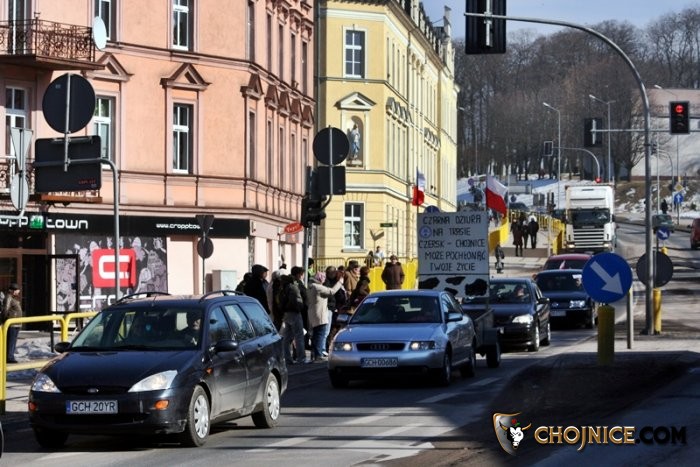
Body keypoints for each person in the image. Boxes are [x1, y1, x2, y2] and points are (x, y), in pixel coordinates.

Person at [306, 271, 343, 361]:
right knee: (320, 334)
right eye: (323, 278)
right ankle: (318, 355)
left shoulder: (310, 286)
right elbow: (331, 291)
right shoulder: (318, 287)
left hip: (312, 314)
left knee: (315, 335)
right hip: (320, 315)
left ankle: (314, 355)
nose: (324, 280)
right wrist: (340, 282)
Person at [280, 271, 308, 364]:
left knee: (286, 337)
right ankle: (301, 358)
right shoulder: (293, 287)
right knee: (299, 336)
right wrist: (300, 308)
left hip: (286, 313)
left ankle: (287, 358)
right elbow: (297, 301)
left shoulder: (283, 288)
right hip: (294, 313)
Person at [3, 283, 22, 363]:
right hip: (12, 324)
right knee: (11, 341)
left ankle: (10, 356)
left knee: (13, 341)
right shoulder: (8, 298)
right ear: (12, 291)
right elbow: (5, 310)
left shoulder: (14, 299)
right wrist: (4, 320)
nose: (18, 292)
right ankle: (9, 357)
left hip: (16, 323)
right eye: (17, 290)